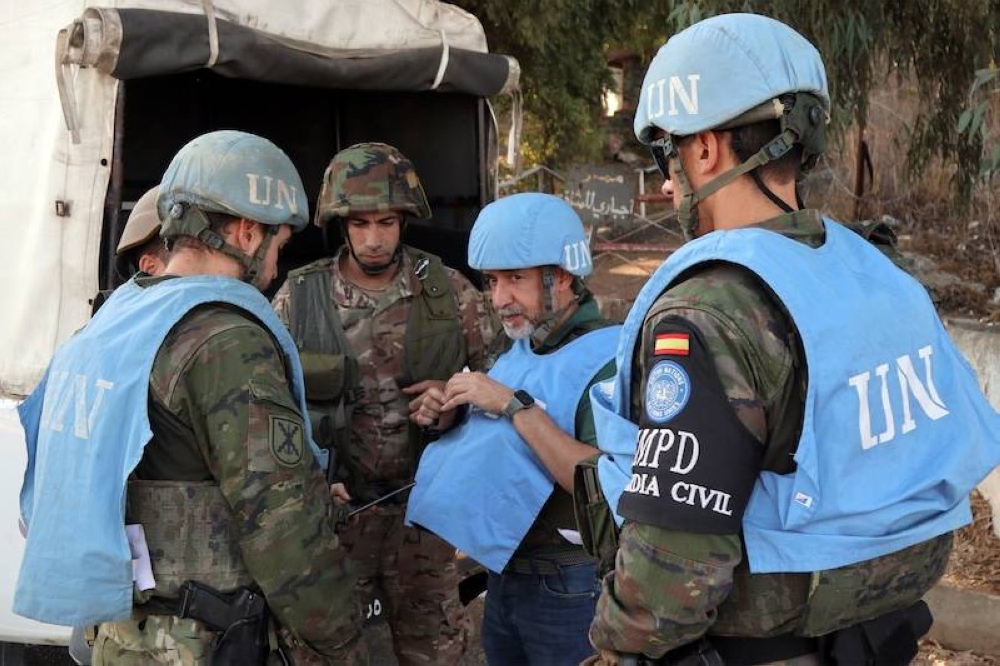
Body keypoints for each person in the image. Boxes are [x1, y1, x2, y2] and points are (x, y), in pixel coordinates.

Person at [585, 13, 1000, 665]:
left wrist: (614, 651)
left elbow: (670, 579)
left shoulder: (708, 310)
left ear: (705, 149)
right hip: (881, 638)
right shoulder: (877, 272)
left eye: (668, 152)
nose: (667, 181)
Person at [15, 130, 365, 664]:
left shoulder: (114, 321)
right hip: (197, 639)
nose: (275, 269)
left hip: (116, 633)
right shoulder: (224, 339)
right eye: (279, 246)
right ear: (248, 233)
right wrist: (344, 643)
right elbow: (283, 528)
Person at [271, 142, 490, 665]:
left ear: (405, 220)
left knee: (435, 653)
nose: (373, 240)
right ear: (340, 224)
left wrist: (456, 403)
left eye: (387, 223)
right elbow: (269, 414)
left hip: (425, 518)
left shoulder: (449, 292)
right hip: (334, 522)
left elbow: (504, 392)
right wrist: (311, 477)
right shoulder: (298, 300)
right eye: (361, 224)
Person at [405, 192, 620, 666]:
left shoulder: (608, 358)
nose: (500, 298)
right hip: (505, 574)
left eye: (516, 279)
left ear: (562, 276)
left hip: (569, 587)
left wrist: (511, 405)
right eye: (493, 280)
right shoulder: (522, 348)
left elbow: (604, 482)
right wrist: (452, 414)